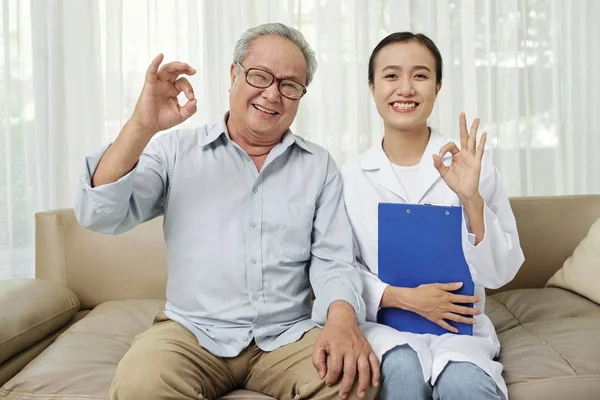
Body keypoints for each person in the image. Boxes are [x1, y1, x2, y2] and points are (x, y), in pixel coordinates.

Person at [75, 23, 379, 400]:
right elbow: (99, 213)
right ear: (234, 74)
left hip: (287, 335)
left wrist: (341, 318)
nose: (273, 94)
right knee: (141, 386)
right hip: (192, 331)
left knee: (351, 384)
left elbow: (334, 261)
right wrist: (142, 125)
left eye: (289, 85)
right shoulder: (175, 151)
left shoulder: (318, 165)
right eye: (259, 76)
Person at [341, 32, 525, 400]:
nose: (405, 88)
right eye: (391, 76)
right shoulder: (349, 177)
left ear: (437, 87)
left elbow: (501, 273)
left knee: (463, 385)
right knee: (401, 376)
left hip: (460, 336)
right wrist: (401, 298)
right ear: (372, 87)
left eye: (420, 76)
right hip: (385, 330)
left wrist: (471, 200)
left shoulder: (472, 166)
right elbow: (339, 268)